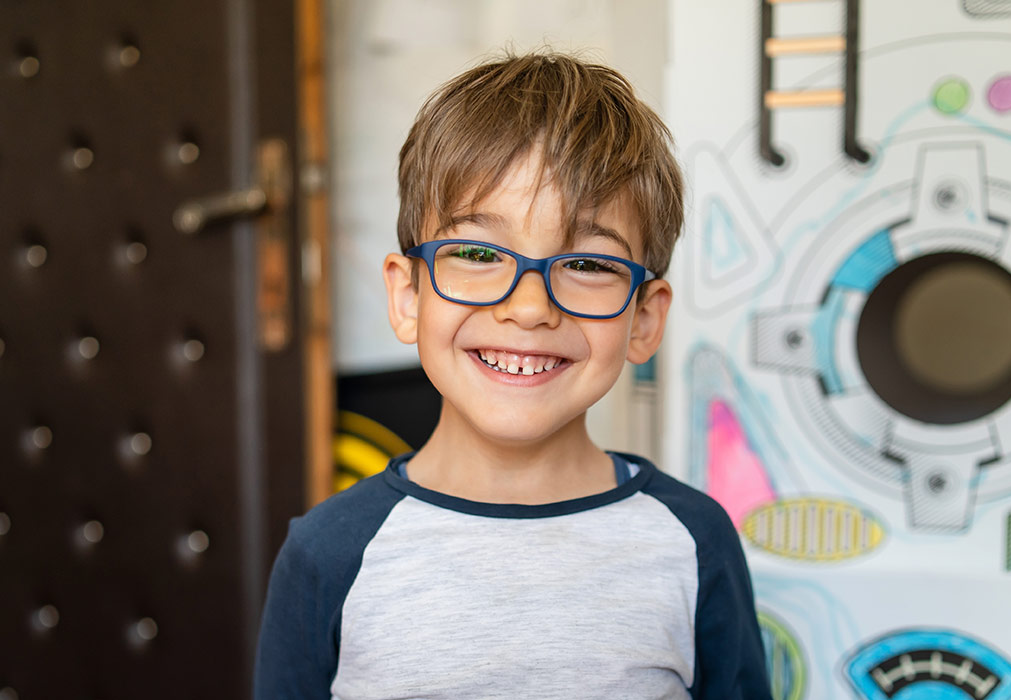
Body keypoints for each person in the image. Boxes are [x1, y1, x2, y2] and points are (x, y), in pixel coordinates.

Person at [254, 51, 770, 699]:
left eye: (588, 264)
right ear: (408, 296)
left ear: (644, 319)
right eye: (475, 253)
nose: (529, 308)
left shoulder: (694, 543)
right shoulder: (329, 554)